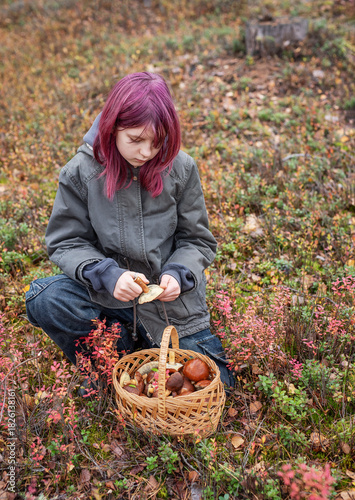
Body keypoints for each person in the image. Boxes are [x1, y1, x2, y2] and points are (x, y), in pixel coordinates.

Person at [25, 72, 234, 392]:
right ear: (112, 128)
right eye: (135, 140)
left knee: (220, 387)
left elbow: (197, 239)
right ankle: (109, 362)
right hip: (108, 300)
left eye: (157, 141)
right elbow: (66, 241)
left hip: (171, 311)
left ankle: (138, 363)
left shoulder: (181, 167)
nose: (146, 152)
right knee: (46, 298)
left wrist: (179, 274)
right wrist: (107, 274)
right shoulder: (81, 172)